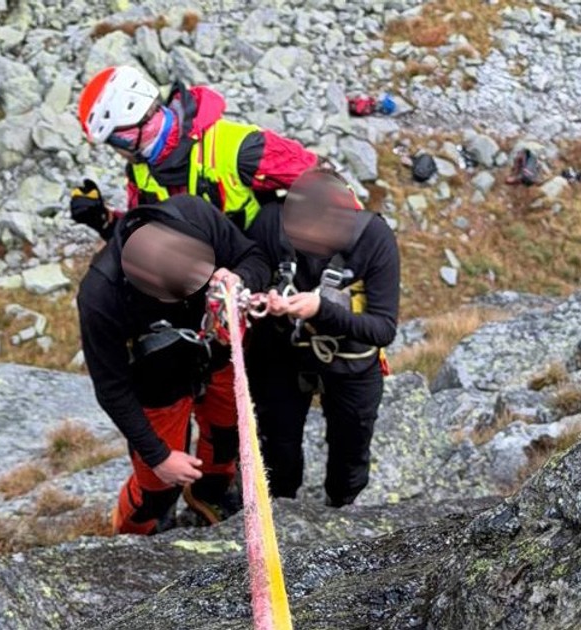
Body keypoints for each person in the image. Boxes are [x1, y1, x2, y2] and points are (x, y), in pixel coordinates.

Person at [78, 195, 270, 533]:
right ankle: (139, 529)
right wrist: (159, 458)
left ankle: (209, 492)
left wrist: (239, 278)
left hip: (219, 353)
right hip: (157, 380)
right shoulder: (101, 296)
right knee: (157, 486)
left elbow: (252, 256)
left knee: (226, 436)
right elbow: (112, 388)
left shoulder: (196, 216)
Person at [244, 169, 399, 507]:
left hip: (351, 362)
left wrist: (321, 310)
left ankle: (343, 505)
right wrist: (259, 291)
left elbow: (384, 329)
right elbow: (253, 259)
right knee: (277, 447)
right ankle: (280, 508)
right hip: (280, 352)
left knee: (350, 451)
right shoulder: (272, 221)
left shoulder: (374, 239)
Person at [71, 65, 318, 237]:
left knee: (274, 220)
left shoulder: (238, 147)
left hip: (267, 268)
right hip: (208, 279)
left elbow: (321, 181)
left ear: (129, 135)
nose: (117, 152)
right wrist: (103, 220)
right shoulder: (141, 173)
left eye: (115, 144)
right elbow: (143, 240)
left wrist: (349, 262)